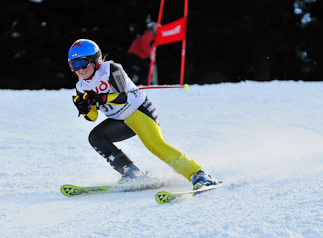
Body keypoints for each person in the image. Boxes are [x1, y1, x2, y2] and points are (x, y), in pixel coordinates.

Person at [67, 39, 219, 190]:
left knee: (156, 146)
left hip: (139, 111)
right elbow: (92, 117)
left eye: (82, 63)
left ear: (96, 60)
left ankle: (198, 174)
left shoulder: (110, 69)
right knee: (96, 137)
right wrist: (84, 108)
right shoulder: (81, 86)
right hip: (119, 120)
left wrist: (100, 98)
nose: (79, 70)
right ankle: (131, 173)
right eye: (74, 65)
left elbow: (122, 97)